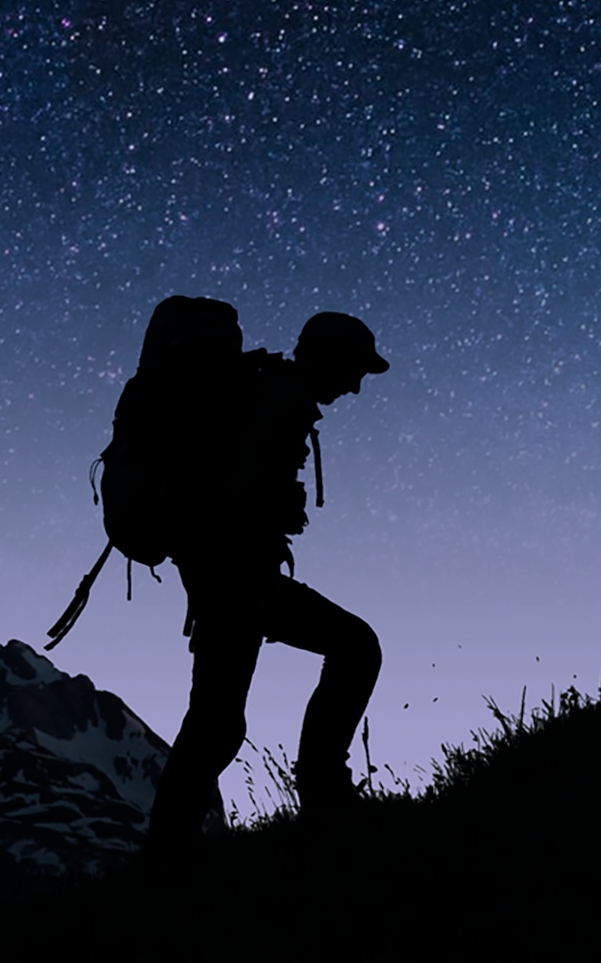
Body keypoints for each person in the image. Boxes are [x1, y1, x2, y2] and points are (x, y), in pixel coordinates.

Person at [144, 311, 389, 860]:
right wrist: (267, 537)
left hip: (225, 574)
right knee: (353, 648)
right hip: (238, 578)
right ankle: (322, 798)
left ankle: (167, 851)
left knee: (216, 719)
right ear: (325, 354)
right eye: (352, 370)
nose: (353, 386)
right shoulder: (286, 399)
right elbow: (241, 493)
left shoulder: (264, 391)